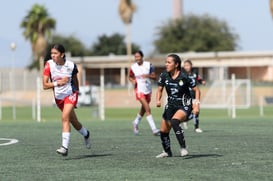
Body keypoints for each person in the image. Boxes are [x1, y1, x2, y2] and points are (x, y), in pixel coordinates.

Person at [43, 44, 91, 156]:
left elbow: (75, 80)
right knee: (73, 121)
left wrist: (77, 93)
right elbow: (45, 85)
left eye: (55, 53)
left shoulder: (71, 66)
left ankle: (64, 147)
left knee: (64, 117)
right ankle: (86, 134)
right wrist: (58, 83)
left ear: (62, 54)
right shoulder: (48, 65)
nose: (53, 56)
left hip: (71, 94)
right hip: (59, 98)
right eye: (52, 53)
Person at [156, 54, 200, 158]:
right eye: (166, 62)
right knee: (163, 131)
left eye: (169, 62)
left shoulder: (185, 76)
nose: (166, 64)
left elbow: (197, 90)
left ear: (176, 64)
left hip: (184, 104)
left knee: (175, 121)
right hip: (170, 105)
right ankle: (167, 152)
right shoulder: (164, 75)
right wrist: (158, 100)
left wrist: (196, 105)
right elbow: (159, 90)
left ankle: (183, 147)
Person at [129, 50, 160, 136]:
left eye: (138, 56)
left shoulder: (148, 65)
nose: (137, 58)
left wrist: (148, 76)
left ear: (142, 57)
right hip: (139, 90)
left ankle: (135, 122)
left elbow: (154, 77)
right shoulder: (133, 67)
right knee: (147, 108)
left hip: (148, 90)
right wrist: (133, 81)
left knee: (143, 108)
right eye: (135, 57)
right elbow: (130, 77)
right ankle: (154, 129)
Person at [182, 59, 205, 133]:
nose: (186, 67)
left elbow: (199, 78)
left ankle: (196, 127)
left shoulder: (195, 73)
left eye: (188, 65)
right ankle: (184, 120)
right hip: (186, 96)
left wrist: (202, 81)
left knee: (196, 111)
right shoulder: (182, 74)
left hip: (195, 95)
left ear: (191, 66)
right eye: (185, 65)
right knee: (187, 112)